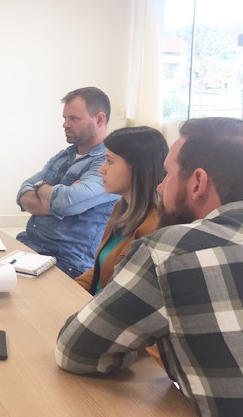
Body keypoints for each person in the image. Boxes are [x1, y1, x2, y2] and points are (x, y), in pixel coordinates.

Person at [56, 117, 243, 416]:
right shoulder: (122, 209)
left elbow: (75, 350)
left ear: (197, 183)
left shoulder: (169, 250)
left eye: (168, 174)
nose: (160, 185)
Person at [16, 87, 120, 278]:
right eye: (65, 118)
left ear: (99, 119)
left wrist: (41, 187)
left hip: (66, 262)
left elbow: (66, 202)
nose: (65, 124)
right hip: (29, 245)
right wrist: (57, 199)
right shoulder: (64, 156)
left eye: (74, 118)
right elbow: (23, 192)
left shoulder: (109, 164)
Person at [74, 126, 168, 294]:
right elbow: (99, 271)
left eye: (110, 161)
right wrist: (67, 290)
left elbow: (126, 292)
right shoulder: (121, 207)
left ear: (138, 167)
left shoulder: (153, 226)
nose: (102, 169)